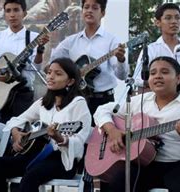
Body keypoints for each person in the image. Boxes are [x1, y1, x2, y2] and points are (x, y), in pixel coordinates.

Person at [94, 56, 180, 191]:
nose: (158, 76)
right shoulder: (139, 100)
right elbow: (102, 110)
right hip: (144, 163)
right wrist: (112, 131)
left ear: (178, 79)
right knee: (118, 180)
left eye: (164, 72)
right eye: (153, 73)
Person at [48, 0, 128, 190]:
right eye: (86, 7)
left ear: (103, 12)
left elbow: (122, 75)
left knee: (103, 148)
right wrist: (75, 72)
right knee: (80, 145)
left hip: (103, 101)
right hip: (79, 101)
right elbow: (54, 62)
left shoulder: (112, 41)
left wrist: (121, 59)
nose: (89, 11)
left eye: (94, 7)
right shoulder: (71, 41)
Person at [0, 58, 92, 192]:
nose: (50, 77)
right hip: (36, 155)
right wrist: (16, 132)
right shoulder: (44, 102)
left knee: (31, 176)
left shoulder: (78, 104)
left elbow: (79, 140)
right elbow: (16, 120)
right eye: (49, 72)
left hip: (62, 160)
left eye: (58, 74)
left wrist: (60, 138)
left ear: (70, 81)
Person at [0, 0, 49, 123]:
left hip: (23, 94)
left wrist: (39, 51)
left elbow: (36, 68)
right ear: (4, 14)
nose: (12, 15)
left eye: (16, 10)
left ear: (24, 13)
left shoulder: (33, 37)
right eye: (8, 11)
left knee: (20, 131)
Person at [133, 3, 180, 108]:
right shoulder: (151, 50)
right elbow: (137, 79)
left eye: (177, 18)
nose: (174, 22)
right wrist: (167, 83)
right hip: (158, 105)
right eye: (168, 18)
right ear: (158, 22)